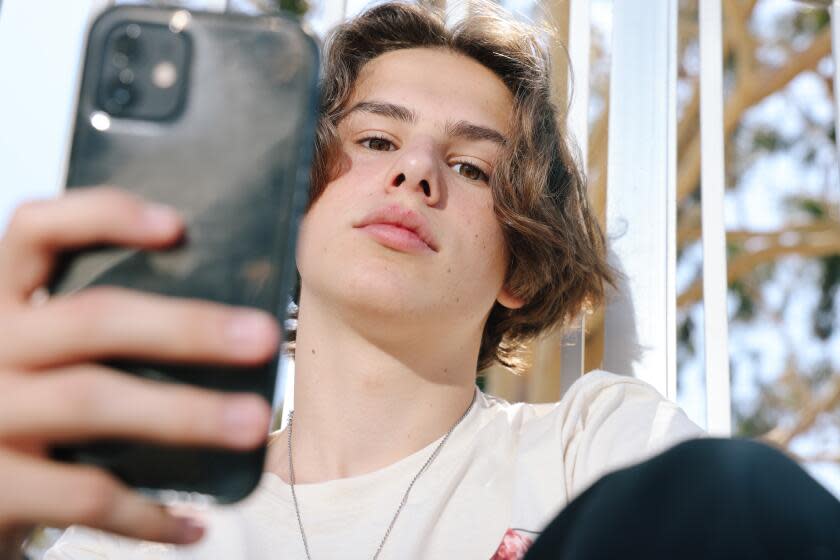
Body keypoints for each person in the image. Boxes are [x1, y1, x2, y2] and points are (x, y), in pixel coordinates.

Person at [0, 2, 836, 560]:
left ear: (520, 267)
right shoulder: (134, 524)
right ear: (291, 205)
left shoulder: (594, 449)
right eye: (373, 142)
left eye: (472, 167)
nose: (417, 173)